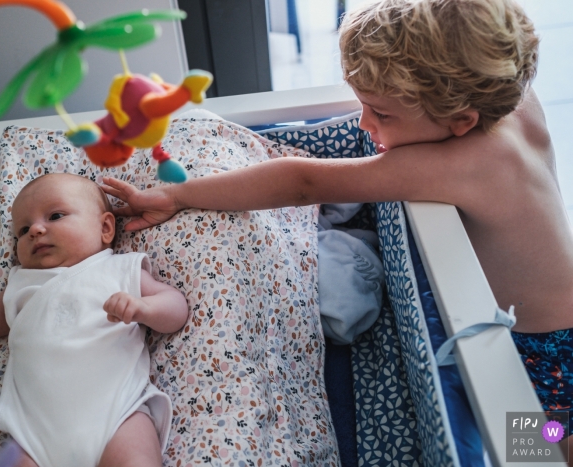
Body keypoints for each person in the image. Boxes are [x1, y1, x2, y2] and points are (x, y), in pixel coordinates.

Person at [102, 0, 573, 431]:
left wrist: (179, 195)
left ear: (461, 121)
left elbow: (302, 181)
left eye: (382, 115)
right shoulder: (513, 95)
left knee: (534, 446)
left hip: (540, 349)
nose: (364, 125)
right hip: (557, 313)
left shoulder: (463, 165)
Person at [0, 173, 189, 467]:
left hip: (116, 414)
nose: (36, 230)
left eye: (55, 216)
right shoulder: (20, 285)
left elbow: (177, 308)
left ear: (105, 228)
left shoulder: (118, 269)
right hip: (33, 433)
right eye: (23, 230)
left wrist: (143, 308)